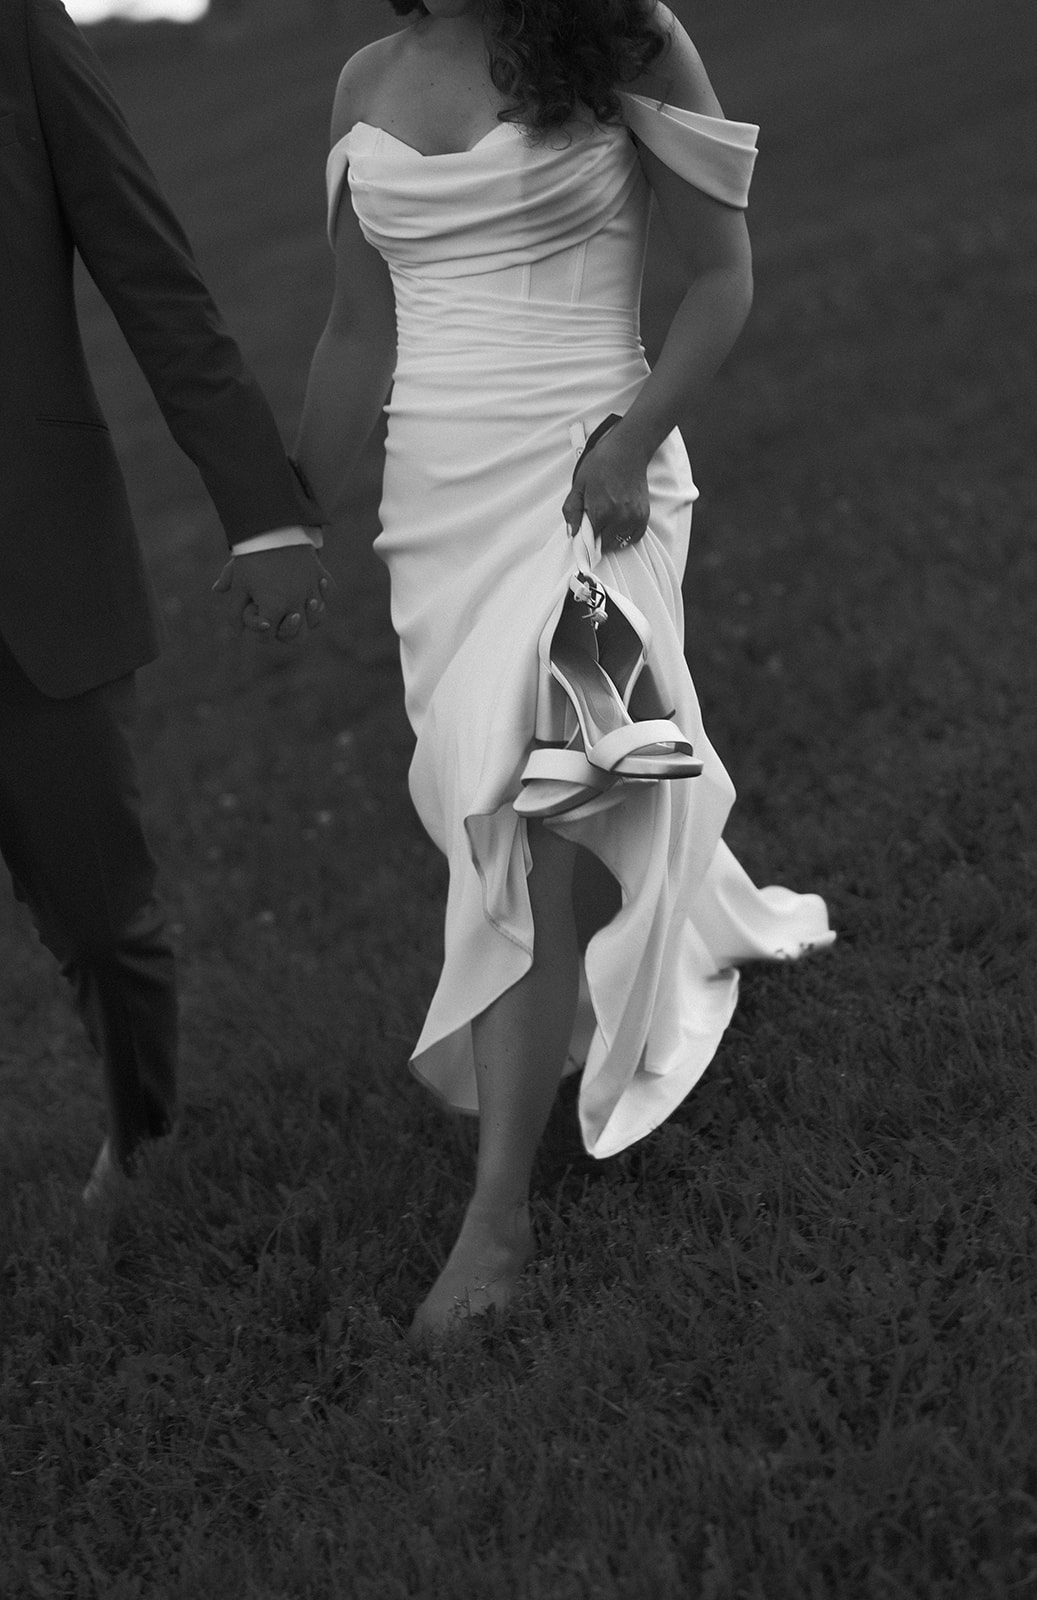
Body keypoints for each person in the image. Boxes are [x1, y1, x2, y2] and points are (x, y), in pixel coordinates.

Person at [297, 0, 834, 1337]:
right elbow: (356, 330)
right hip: (438, 516)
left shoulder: (623, 34)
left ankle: (498, 1225)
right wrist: (286, 518)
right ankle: (665, 941)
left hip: (595, 487)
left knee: (533, 802)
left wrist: (624, 438)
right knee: (497, 799)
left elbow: (722, 278)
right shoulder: (364, 78)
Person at [0, 0, 329, 1206]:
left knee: (101, 922)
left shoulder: (21, 32)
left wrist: (263, 509)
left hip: (29, 569)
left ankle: (144, 1138)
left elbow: (153, 277)